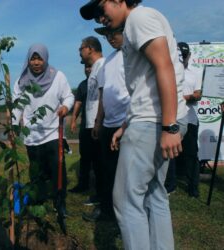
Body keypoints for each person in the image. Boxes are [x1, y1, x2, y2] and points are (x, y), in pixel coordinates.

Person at [80, 1, 188, 249]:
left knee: (127, 201)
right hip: (151, 119)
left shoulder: (139, 18)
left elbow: (165, 67)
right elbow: (145, 86)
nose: (100, 19)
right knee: (155, 195)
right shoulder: (138, 22)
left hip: (154, 122)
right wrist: (127, 124)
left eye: (100, 9)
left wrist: (170, 126)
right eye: (95, 16)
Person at [12, 43, 74, 211]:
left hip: (53, 132)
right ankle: (37, 198)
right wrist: (14, 125)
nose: (36, 63)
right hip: (32, 134)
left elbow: (68, 96)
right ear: (28, 60)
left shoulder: (58, 77)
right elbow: (17, 106)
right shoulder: (22, 81)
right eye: (33, 59)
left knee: (57, 168)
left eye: (39, 58)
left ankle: (59, 201)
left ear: (45, 59)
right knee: (36, 169)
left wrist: (66, 107)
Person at [82, 25, 130, 222]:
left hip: (127, 123)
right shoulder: (108, 61)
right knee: (107, 171)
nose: (111, 37)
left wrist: (128, 123)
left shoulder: (133, 56)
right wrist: (98, 122)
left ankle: (127, 214)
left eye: (114, 33)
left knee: (126, 174)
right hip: (108, 124)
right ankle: (108, 210)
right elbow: (102, 94)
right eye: (107, 35)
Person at [165, 42, 202, 197]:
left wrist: (182, 98)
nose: (184, 58)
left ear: (189, 56)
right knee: (170, 153)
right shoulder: (170, 71)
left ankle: (193, 187)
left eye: (185, 55)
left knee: (191, 154)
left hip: (191, 117)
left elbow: (198, 94)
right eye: (181, 55)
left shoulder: (195, 72)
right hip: (174, 117)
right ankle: (170, 185)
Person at [76, 36, 105, 206]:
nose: (79, 52)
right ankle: (99, 194)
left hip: (98, 123)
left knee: (101, 163)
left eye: (81, 48)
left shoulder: (102, 66)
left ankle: (103, 198)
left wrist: (98, 121)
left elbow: (103, 95)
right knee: (95, 161)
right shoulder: (94, 69)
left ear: (89, 49)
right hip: (91, 124)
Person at [69, 63, 92, 193]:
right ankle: (83, 185)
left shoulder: (102, 81)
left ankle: (100, 188)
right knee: (85, 156)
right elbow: (78, 103)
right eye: (86, 67)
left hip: (100, 126)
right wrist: (73, 120)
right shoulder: (82, 85)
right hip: (85, 126)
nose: (88, 69)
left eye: (90, 66)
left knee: (100, 158)